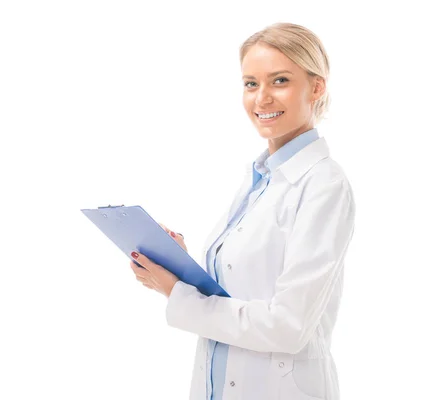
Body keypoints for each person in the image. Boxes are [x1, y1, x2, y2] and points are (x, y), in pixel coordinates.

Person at [130, 22, 355, 400]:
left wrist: (176, 294)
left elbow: (288, 326)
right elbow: (240, 288)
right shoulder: (260, 179)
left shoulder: (323, 185)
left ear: (316, 88)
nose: (261, 98)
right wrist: (181, 270)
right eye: (251, 84)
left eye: (279, 81)